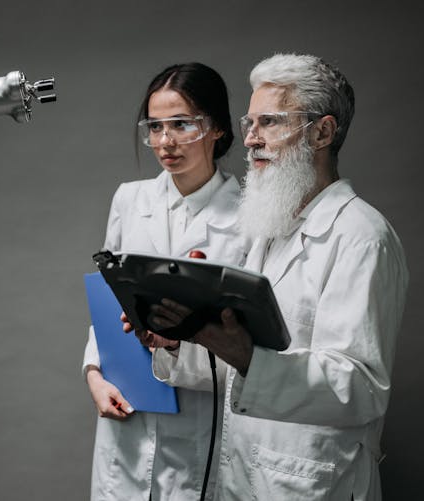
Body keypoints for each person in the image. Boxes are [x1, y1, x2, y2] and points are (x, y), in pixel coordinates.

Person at [143, 53, 408, 500]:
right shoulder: (273, 230)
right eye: (249, 123)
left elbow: (360, 387)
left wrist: (247, 357)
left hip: (312, 483)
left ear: (322, 131)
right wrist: (179, 340)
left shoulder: (361, 235)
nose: (250, 139)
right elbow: (240, 367)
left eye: (269, 122)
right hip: (247, 475)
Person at [82, 62, 249, 500]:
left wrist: (179, 341)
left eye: (181, 124)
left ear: (216, 129)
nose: (165, 142)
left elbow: (252, 343)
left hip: (202, 420)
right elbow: (107, 299)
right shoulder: (130, 199)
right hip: (129, 418)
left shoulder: (249, 215)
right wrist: (95, 375)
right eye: (155, 127)